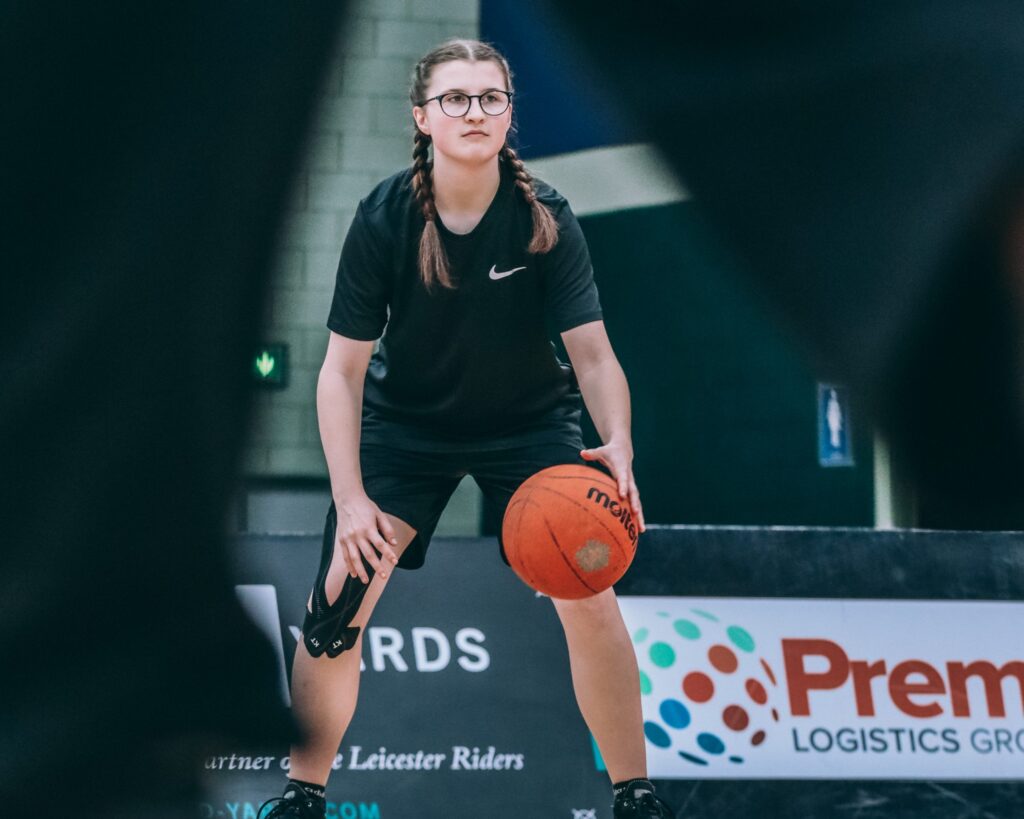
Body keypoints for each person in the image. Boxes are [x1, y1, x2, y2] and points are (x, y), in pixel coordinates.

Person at [258, 39, 674, 819]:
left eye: (490, 97)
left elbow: (593, 355)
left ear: (509, 114)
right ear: (423, 116)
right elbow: (340, 373)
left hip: (529, 425)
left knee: (591, 594)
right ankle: (302, 795)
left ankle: (636, 793)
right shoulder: (384, 217)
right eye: (455, 98)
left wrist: (617, 439)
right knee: (338, 602)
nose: (474, 111)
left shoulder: (546, 216)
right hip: (406, 428)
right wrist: (350, 499)